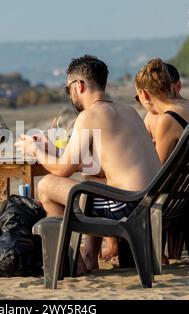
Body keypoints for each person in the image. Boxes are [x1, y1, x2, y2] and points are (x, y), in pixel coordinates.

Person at [15, 55, 161, 274]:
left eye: (68, 90)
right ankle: (90, 257)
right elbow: (98, 167)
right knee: (91, 179)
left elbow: (63, 169)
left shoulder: (89, 115)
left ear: (79, 86)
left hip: (127, 206)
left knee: (45, 185)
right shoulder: (129, 112)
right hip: (151, 200)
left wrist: (34, 150)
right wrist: (51, 149)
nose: (69, 95)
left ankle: (73, 264)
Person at [135, 58, 189, 221]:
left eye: (137, 97)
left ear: (145, 94)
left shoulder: (167, 119)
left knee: (126, 200)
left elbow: (157, 173)